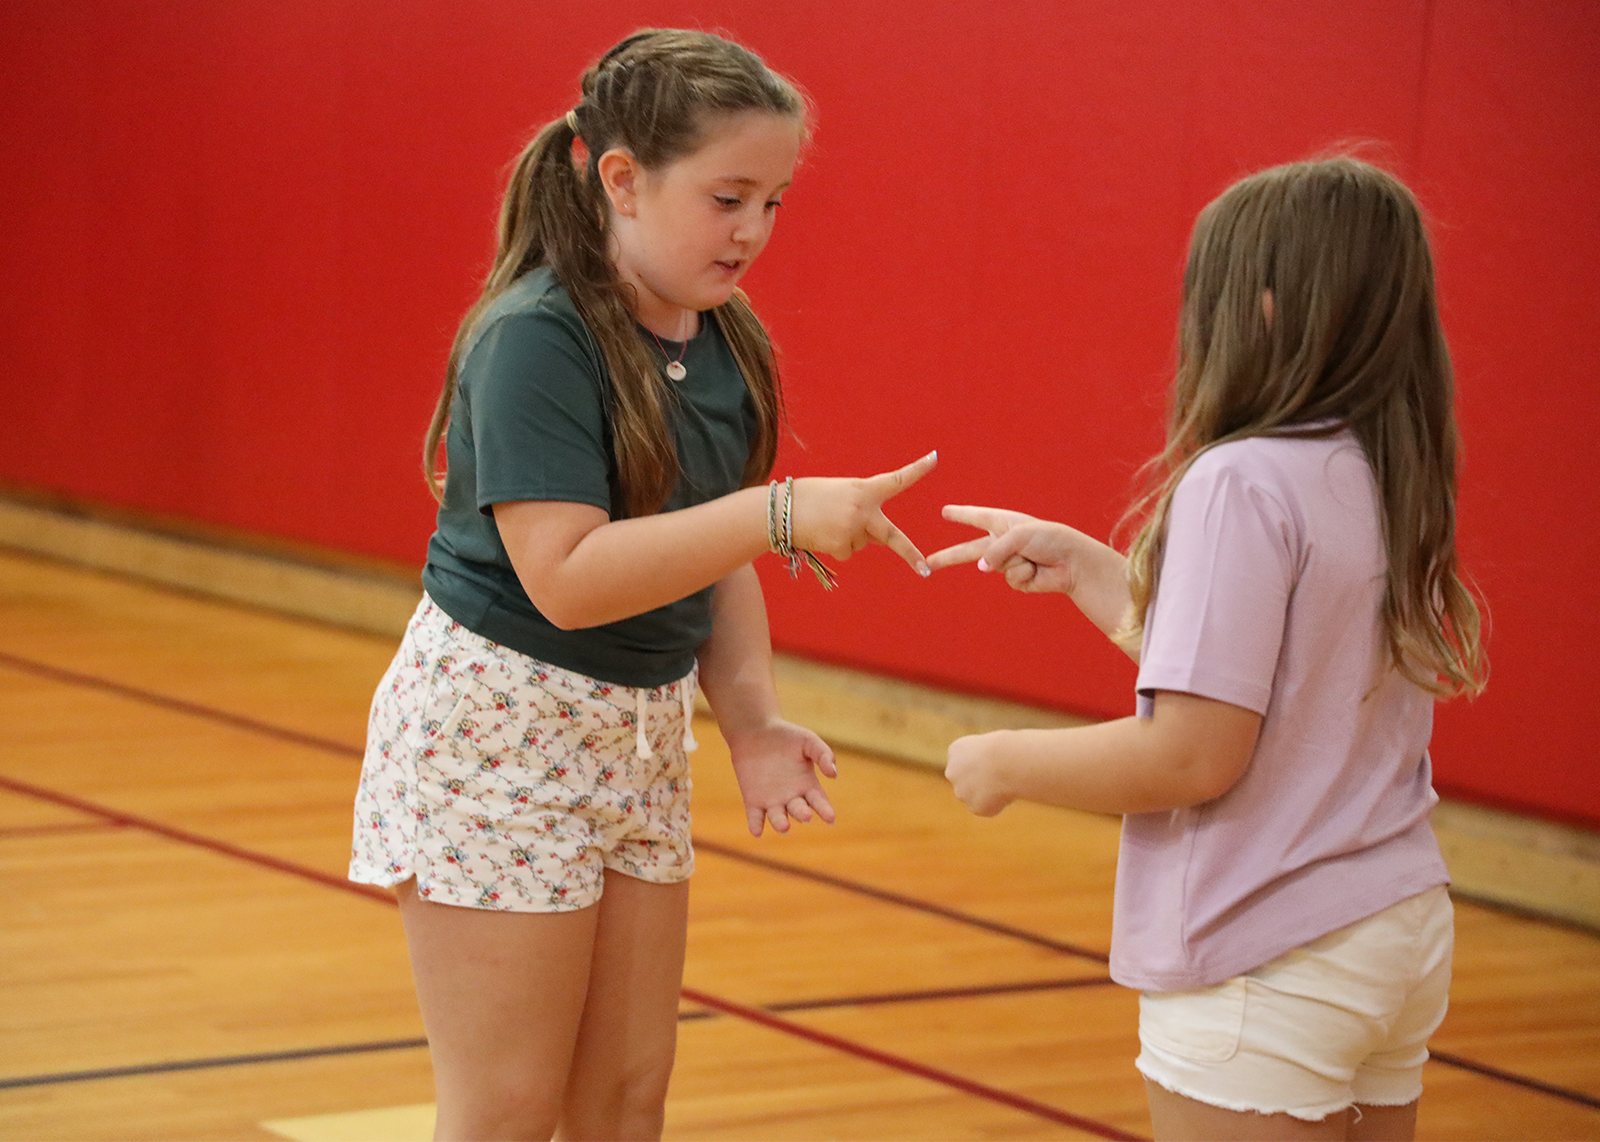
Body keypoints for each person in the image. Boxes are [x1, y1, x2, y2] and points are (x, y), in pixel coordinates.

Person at [348, 29, 936, 1142]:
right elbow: (565, 578)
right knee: (506, 1110)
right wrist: (774, 511)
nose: (753, 230)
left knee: (624, 1103)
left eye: (774, 200)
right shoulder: (535, 338)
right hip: (499, 736)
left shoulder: (727, 339)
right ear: (620, 178)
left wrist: (752, 720)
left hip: (638, 740)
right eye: (726, 197)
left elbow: (709, 562)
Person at [930, 157, 1484, 1141]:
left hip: (1265, 951)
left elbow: (1193, 753)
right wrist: (1096, 571)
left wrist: (999, 758)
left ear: (1264, 305)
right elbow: (1284, 684)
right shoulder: (1382, 466)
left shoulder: (1238, 479)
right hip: (1394, 924)